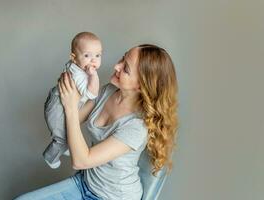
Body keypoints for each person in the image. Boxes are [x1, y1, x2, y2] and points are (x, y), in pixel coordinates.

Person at [15, 44, 178, 200]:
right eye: (122, 58)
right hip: (84, 183)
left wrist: (71, 106)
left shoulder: (137, 127)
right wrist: (67, 90)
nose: (117, 66)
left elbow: (81, 161)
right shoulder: (108, 90)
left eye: (126, 68)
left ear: (141, 86)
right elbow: (69, 122)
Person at [43, 32, 102, 169]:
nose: (93, 60)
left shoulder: (76, 66)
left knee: (70, 129)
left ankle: (67, 146)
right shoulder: (80, 75)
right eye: (87, 55)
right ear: (74, 58)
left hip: (59, 101)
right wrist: (93, 76)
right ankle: (50, 157)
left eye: (97, 55)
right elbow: (92, 94)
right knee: (62, 136)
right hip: (57, 107)